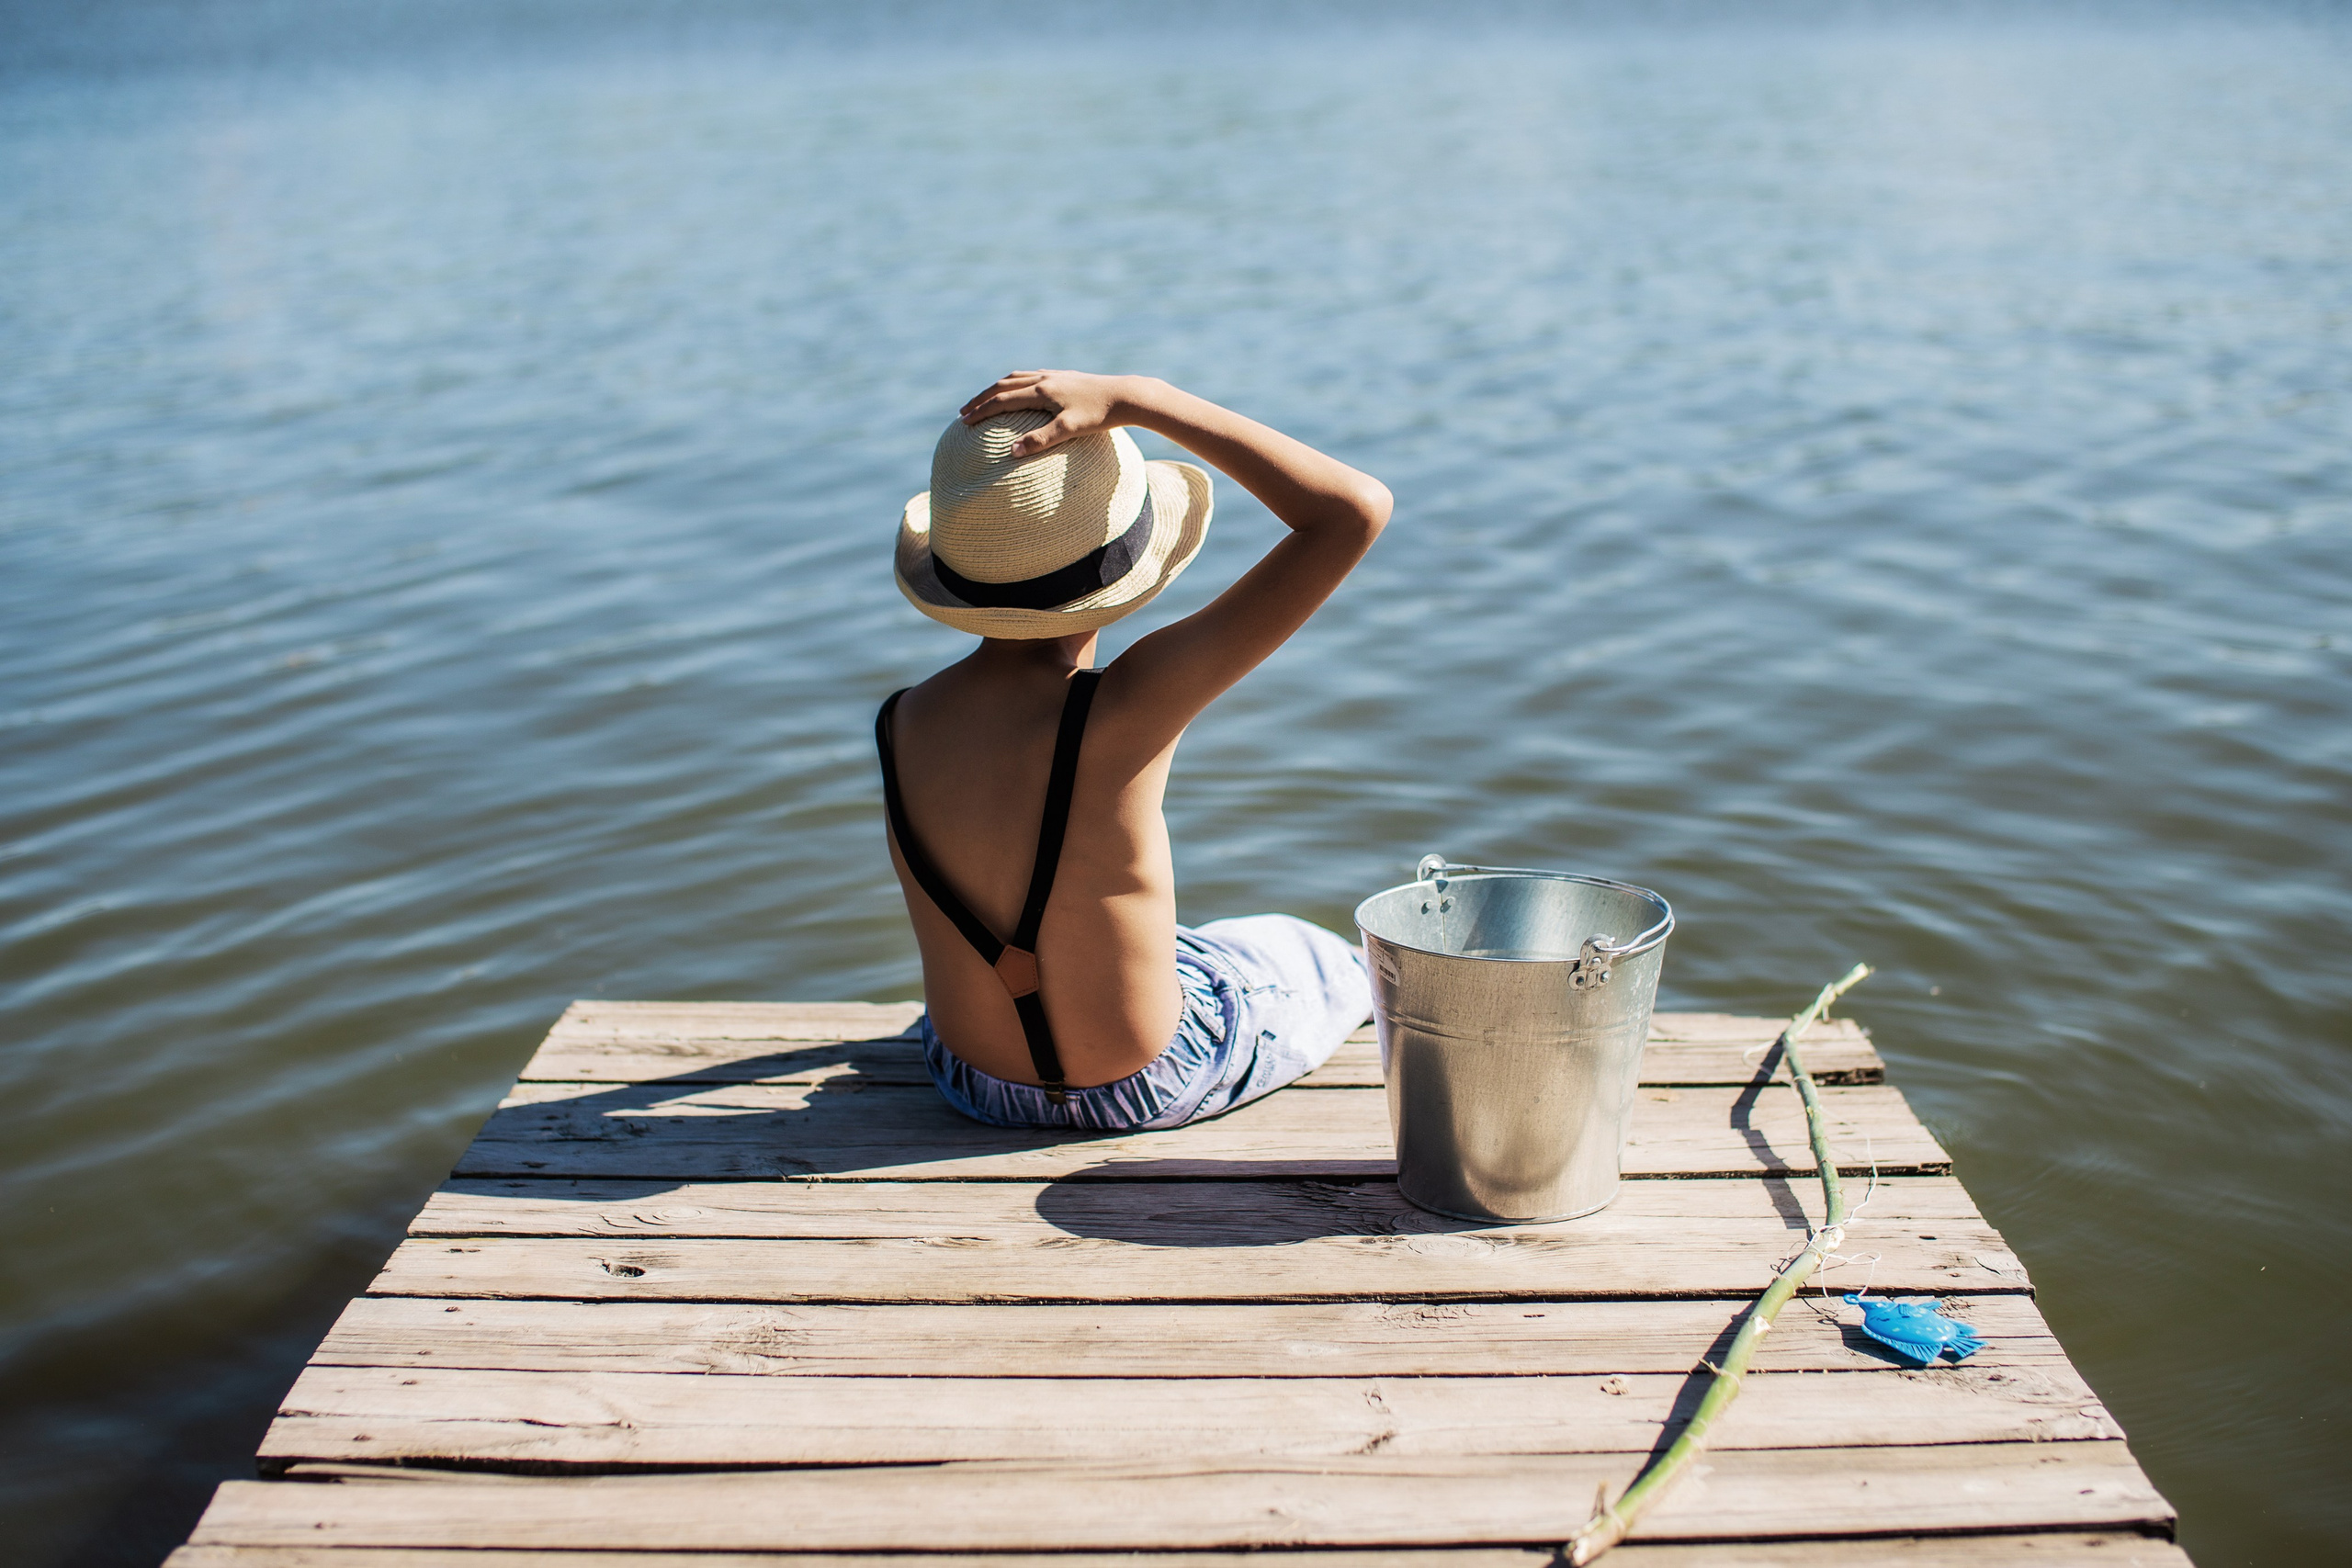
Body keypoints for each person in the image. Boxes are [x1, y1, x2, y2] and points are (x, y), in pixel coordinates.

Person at [877, 369, 1390, 1132]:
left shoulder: (903, 719)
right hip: (1145, 1081)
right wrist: (1144, 398)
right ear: (1130, 560)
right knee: (1317, 953)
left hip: (971, 1080)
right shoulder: (1128, 704)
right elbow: (1352, 511)